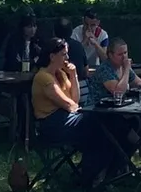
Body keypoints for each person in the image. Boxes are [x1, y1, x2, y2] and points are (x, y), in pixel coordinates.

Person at [29, 39, 113, 184]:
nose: (67, 58)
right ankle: (91, 176)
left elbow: (75, 100)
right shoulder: (43, 77)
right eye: (63, 54)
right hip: (50, 124)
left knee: (101, 129)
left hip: (67, 117)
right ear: (52, 56)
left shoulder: (60, 73)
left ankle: (93, 174)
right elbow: (68, 104)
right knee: (97, 122)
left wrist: (73, 75)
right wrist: (77, 108)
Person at [87, 39, 140, 105]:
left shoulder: (124, 66)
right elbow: (118, 92)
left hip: (117, 107)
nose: (124, 57)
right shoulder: (104, 69)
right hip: (97, 109)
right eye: (120, 54)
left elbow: (138, 83)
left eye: (125, 53)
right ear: (110, 55)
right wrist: (126, 70)